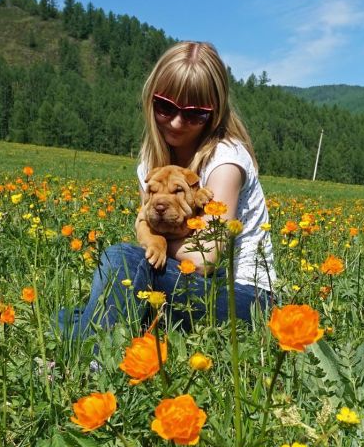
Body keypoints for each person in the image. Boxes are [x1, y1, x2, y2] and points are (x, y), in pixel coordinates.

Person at [60, 41, 275, 339]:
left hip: (244, 298)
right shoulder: (151, 166)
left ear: (214, 112)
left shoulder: (225, 161)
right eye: (165, 107)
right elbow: (150, 228)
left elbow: (204, 260)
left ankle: (91, 364)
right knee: (102, 297)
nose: (176, 122)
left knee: (123, 261)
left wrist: (154, 241)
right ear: (151, 100)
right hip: (180, 281)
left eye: (194, 114)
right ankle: (90, 340)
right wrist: (150, 237)